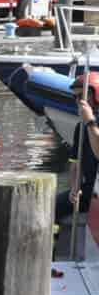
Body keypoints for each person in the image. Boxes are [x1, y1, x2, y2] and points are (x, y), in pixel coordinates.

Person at [60, 73, 99, 250]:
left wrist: (90, 121)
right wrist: (74, 187)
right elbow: (75, 162)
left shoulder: (89, 124)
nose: (77, 100)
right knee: (50, 207)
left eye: (81, 96)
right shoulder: (80, 127)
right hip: (88, 191)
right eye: (74, 96)